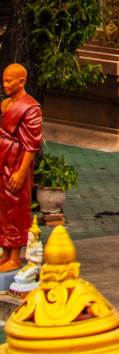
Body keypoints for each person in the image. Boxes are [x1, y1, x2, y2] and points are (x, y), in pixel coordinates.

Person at [0, 65, 43, 272]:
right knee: (3, 207)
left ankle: (16, 258)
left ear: (22, 82)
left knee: (15, 207)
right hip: (3, 159)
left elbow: (32, 144)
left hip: (17, 162)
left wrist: (21, 171)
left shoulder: (30, 108)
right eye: (4, 80)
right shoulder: (6, 103)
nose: (5, 84)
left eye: (9, 81)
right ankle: (6, 253)